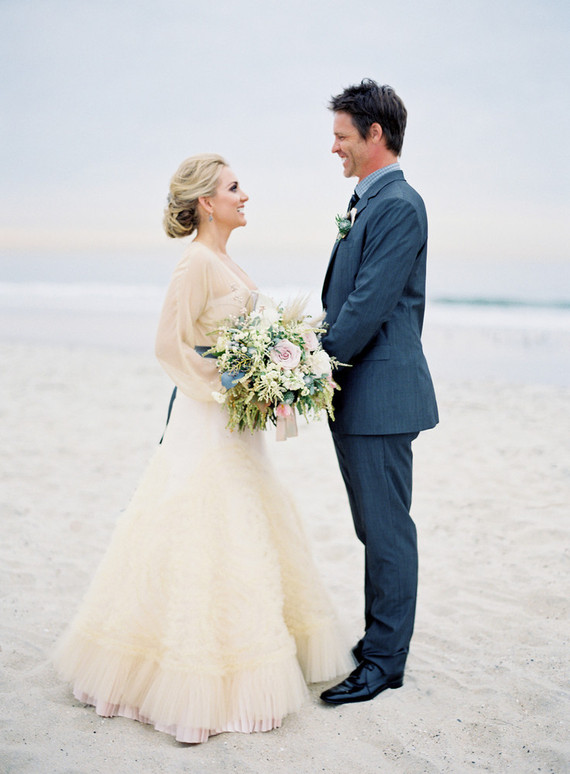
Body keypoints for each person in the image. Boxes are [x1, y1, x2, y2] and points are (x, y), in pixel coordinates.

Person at [53, 153, 351, 743]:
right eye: (234, 188)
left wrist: (269, 378)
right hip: (207, 422)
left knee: (247, 532)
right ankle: (189, 681)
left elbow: (239, 338)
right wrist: (225, 387)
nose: (245, 196)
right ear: (206, 203)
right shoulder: (194, 262)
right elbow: (169, 345)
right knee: (202, 532)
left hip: (239, 426)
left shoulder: (226, 260)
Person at [319, 80, 439, 705]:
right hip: (360, 392)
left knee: (388, 531)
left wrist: (314, 363)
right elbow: (348, 299)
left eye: (341, 136)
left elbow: (367, 305)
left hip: (381, 395)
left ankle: (385, 662)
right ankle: (378, 641)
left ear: (374, 134)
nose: (333, 147)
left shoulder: (398, 205)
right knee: (375, 528)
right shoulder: (369, 201)